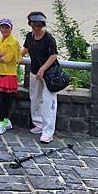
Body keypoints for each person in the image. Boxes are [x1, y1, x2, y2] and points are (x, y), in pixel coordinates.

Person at [22, 11, 58, 144]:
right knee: (35, 98)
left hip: (49, 74)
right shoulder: (29, 36)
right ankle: (38, 123)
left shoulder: (49, 38)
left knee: (49, 102)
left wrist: (43, 69)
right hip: (34, 72)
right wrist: (14, 57)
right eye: (33, 25)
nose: (36, 28)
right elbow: (25, 49)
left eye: (38, 25)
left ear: (42, 25)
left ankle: (48, 132)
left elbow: (53, 55)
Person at [0, 18, 21, 135]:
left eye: (7, 27)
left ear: (11, 28)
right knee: (1, 99)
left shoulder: (14, 43)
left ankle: (2, 121)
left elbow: (7, 59)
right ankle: (6, 120)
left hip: (8, 75)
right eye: (2, 27)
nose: (4, 29)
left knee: (2, 100)